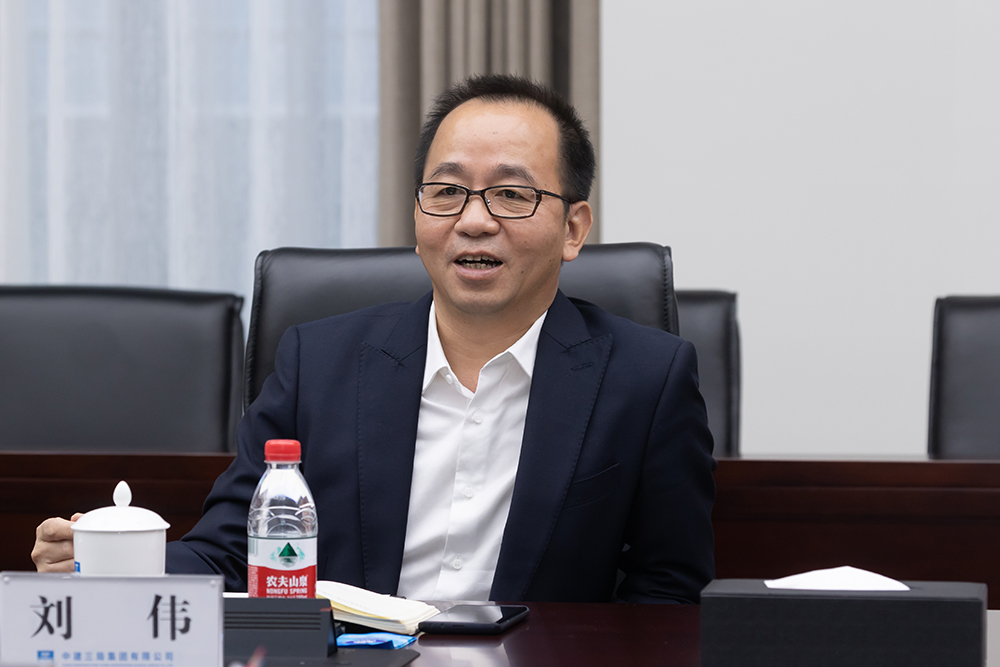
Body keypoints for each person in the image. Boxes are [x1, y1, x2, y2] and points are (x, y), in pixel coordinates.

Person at [33, 74, 716, 604]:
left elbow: (667, 594)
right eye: (446, 191)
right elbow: (233, 553)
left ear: (573, 228)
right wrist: (119, 564)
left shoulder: (646, 381)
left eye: (512, 195)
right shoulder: (319, 363)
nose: (473, 221)